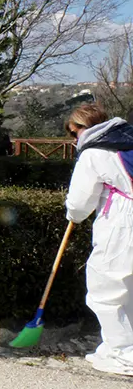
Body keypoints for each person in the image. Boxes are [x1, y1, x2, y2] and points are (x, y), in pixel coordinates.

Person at [64, 104, 133, 377]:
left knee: (107, 287)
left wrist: (73, 213)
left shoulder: (94, 152)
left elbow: (80, 204)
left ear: (84, 127)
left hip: (123, 221)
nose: (73, 139)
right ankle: (116, 345)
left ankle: (125, 352)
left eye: (73, 132)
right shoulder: (126, 139)